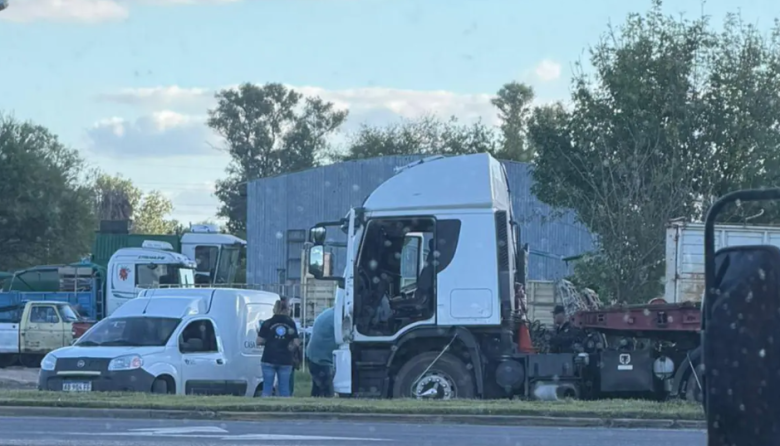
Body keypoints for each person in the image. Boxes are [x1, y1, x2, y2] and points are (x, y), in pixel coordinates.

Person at [257, 299, 299, 397]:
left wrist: (269, 341)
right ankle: (285, 409)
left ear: (274, 309)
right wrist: (289, 348)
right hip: (285, 359)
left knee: (267, 387)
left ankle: (265, 408)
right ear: (287, 309)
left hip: (269, 358)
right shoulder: (291, 323)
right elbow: (296, 342)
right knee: (284, 388)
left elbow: (259, 341)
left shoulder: (267, 323)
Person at [305, 306, 338, 397]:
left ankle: (313, 407)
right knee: (326, 390)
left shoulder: (331, 313)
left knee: (318, 389)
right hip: (321, 359)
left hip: (315, 355)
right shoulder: (337, 318)